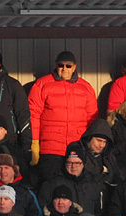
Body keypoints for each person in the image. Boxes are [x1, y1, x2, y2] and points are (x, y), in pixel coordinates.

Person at [27, 50, 98, 182]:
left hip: (76, 147)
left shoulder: (86, 88)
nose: (64, 69)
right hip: (51, 148)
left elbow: (92, 118)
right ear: (56, 65)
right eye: (61, 65)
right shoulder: (42, 84)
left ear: (74, 67)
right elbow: (33, 115)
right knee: (50, 184)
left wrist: (90, 145)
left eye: (68, 66)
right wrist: (34, 142)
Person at [37, 143, 103, 216]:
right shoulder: (52, 183)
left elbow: (98, 211)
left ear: (83, 164)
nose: (73, 166)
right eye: (69, 163)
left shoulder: (93, 183)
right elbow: (43, 208)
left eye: (77, 163)